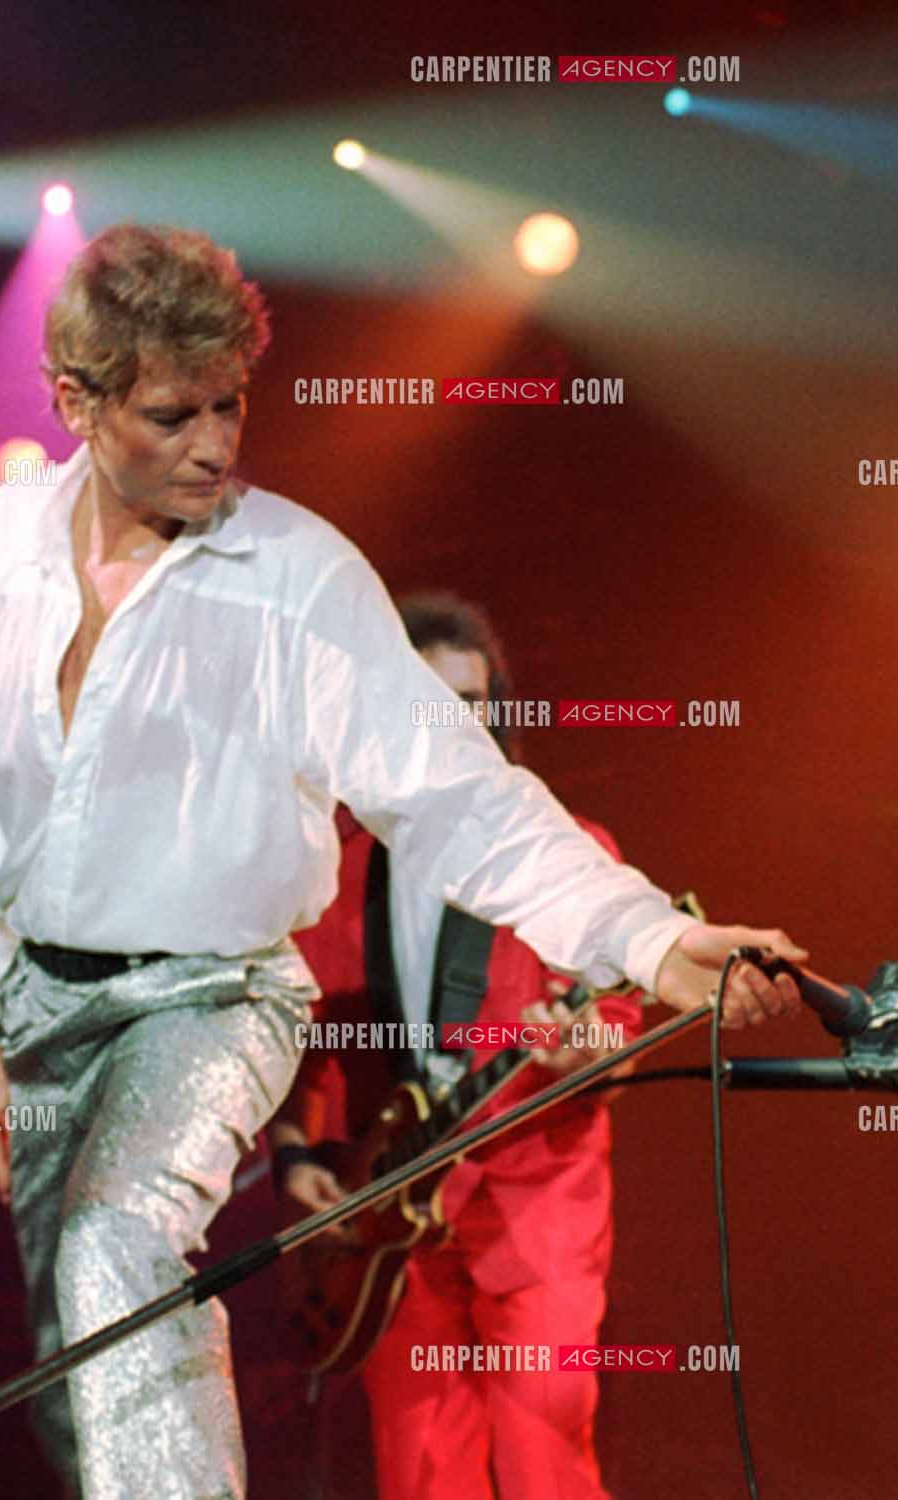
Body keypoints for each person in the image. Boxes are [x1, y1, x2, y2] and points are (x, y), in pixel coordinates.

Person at [0, 223, 802, 1500]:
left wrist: (648, 936)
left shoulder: (298, 578)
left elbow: (458, 798)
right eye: (175, 415)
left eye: (232, 407)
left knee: (119, 1244)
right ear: (72, 399)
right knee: (78, 1353)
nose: (217, 444)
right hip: (36, 998)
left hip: (211, 993)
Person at [274, 591, 638, 1499]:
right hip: (389, 1221)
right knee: (421, 1474)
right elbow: (290, 1045)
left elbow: (623, 1030)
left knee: (541, 1458)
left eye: (471, 706)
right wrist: (293, 1158)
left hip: (533, 1205)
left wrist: (584, 1049)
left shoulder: (564, 849)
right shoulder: (335, 865)